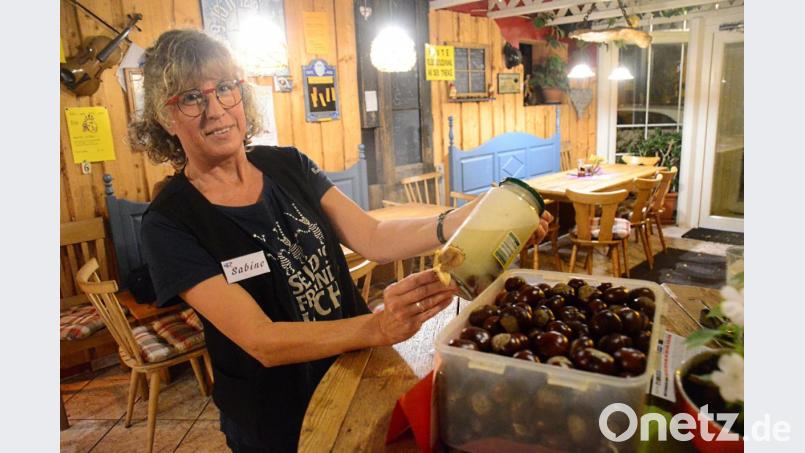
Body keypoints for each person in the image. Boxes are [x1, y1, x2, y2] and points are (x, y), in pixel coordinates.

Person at [130, 29, 552, 452]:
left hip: (356, 370)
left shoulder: (287, 164)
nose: (215, 109)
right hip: (275, 412)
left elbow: (372, 236)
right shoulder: (169, 222)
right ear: (165, 118)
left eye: (224, 88)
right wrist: (378, 325)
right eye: (190, 97)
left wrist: (463, 219)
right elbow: (261, 339)